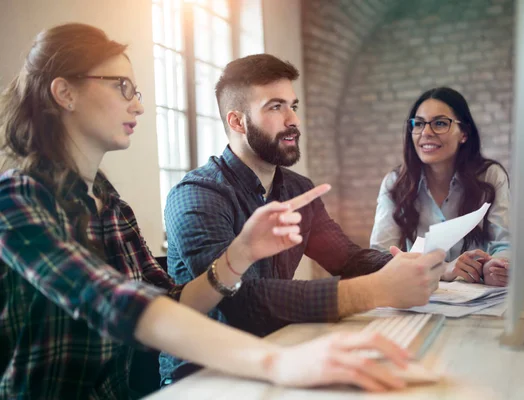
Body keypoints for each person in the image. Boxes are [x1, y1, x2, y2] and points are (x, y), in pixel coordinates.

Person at [0, 23, 442, 398]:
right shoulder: (15, 198)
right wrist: (278, 361)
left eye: (294, 106)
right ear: (65, 93)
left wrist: (240, 254)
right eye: (122, 88)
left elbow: (172, 300)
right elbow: (115, 303)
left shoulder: (109, 204)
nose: (137, 103)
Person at [161, 54, 445, 383]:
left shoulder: (297, 188)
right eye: (275, 107)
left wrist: (416, 267)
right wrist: (374, 291)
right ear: (238, 122)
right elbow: (242, 302)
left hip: (281, 353)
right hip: (205, 376)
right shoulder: (196, 196)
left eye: (293, 105)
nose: (293, 119)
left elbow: (347, 258)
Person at [370, 87, 510, 287]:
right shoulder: (395, 183)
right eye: (419, 124)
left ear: (464, 133)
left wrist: (495, 266)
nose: (426, 132)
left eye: (440, 123)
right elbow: (380, 256)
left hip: (479, 296)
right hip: (420, 296)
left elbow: (505, 244)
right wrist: (442, 268)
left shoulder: (490, 176)